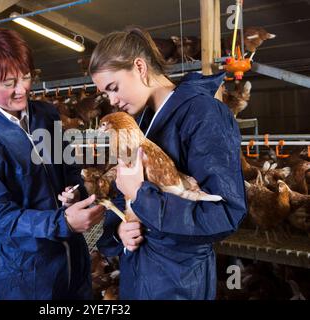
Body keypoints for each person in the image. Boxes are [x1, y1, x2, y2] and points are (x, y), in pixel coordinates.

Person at [90, 27, 247, 299]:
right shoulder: (139, 123)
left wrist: (142, 197)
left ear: (139, 67)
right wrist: (119, 230)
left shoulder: (203, 114)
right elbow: (125, 195)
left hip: (179, 282)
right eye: (106, 95)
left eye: (113, 88)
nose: (112, 101)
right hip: (138, 275)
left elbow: (226, 215)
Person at [0, 28, 104, 300]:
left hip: (71, 262)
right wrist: (62, 222)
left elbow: (68, 167)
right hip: (21, 272)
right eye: (9, 83)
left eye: (26, 77)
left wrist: (75, 192)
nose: (22, 90)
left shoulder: (46, 115)